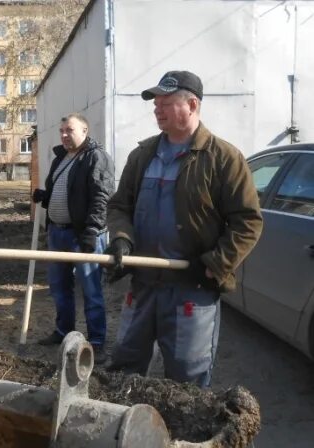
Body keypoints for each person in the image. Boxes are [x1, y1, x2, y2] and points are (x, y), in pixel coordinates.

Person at [105, 71, 263, 387]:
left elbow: (248, 221)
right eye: (155, 103)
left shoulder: (224, 159)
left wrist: (216, 264)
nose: (157, 109)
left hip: (192, 288)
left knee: (186, 380)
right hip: (144, 284)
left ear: (191, 104)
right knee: (124, 369)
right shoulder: (143, 155)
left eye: (166, 102)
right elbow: (120, 206)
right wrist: (122, 238)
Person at [33, 113, 116, 364]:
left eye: (69, 130)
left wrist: (93, 229)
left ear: (84, 130)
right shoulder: (62, 157)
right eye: (61, 131)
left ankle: (97, 340)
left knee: (91, 289)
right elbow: (68, 193)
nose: (64, 135)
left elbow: (102, 196)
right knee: (59, 287)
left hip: (84, 234)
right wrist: (46, 197)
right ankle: (63, 332)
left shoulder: (95, 157)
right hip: (58, 233)